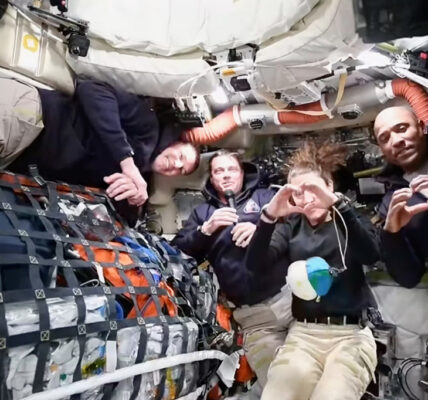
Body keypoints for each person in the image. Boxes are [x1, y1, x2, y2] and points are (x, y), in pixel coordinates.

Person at [245, 141, 379, 400]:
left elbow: (371, 254)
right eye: (298, 193)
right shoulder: (291, 226)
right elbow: (254, 265)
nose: (307, 200)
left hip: (350, 335)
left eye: (313, 190)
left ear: (329, 186)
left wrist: (340, 206)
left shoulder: (349, 220)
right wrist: (268, 217)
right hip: (304, 335)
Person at [172, 150, 293, 387]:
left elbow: (295, 226)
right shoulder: (203, 213)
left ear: (242, 173)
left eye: (232, 169)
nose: (226, 175)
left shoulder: (265, 197)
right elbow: (178, 252)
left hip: (290, 301)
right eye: (219, 171)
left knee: (314, 370)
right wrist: (206, 229)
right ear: (212, 178)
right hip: (253, 317)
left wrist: (262, 227)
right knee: (278, 384)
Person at [1, 77, 199, 206]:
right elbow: (93, 89)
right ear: (173, 143)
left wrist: (132, 199)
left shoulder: (137, 180)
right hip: (29, 117)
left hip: (17, 157)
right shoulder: (147, 126)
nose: (177, 164)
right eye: (181, 156)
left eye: (181, 170)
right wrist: (126, 160)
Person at [374, 106, 428, 288]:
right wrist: (391, 233)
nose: (396, 141)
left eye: (402, 128)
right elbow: (408, 278)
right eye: (385, 138)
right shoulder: (392, 203)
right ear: (382, 149)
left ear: (421, 127)